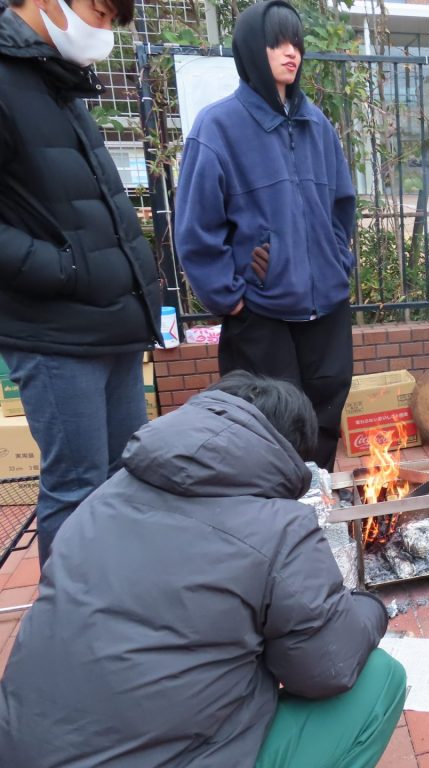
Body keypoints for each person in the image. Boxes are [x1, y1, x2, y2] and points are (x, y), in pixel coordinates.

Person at [0, 371, 406, 767]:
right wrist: (369, 608)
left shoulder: (103, 497)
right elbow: (325, 669)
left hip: (23, 749)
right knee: (380, 677)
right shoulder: (277, 527)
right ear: (288, 449)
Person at [0, 0, 162, 567]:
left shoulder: (55, 79)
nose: (105, 32)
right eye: (100, 13)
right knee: (78, 489)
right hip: (54, 333)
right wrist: (69, 269)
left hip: (109, 322)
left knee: (126, 480)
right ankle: (73, 639)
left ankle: (121, 610)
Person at [175, 0, 355, 470]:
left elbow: (341, 207)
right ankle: (272, 517)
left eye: (296, 41)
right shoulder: (217, 127)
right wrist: (230, 297)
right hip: (261, 313)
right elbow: (196, 226)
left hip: (327, 306)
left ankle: (320, 509)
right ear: (254, 49)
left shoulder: (319, 126)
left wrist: (339, 263)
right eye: (277, 42)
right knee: (268, 422)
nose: (290, 52)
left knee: (326, 415)